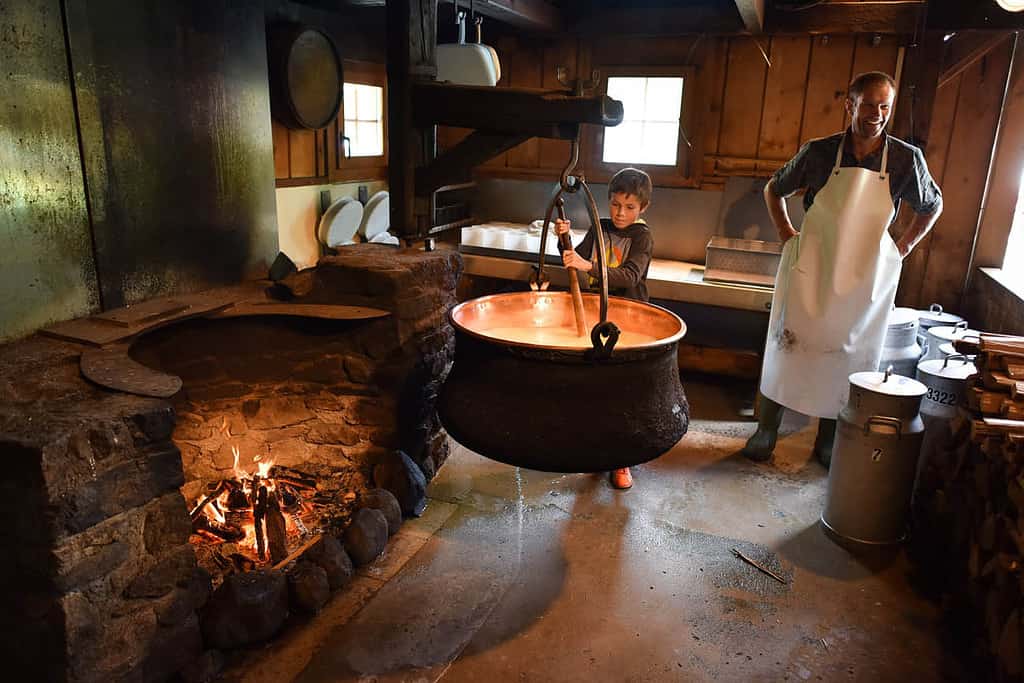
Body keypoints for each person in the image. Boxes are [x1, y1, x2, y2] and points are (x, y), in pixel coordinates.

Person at [741, 71, 943, 468]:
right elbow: (774, 188)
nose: (877, 114)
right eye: (868, 105)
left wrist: (902, 247)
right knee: (787, 345)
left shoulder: (905, 159)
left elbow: (931, 205)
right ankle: (766, 431)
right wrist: (786, 233)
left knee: (848, 357)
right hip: (810, 269)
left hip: (864, 277)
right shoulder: (819, 152)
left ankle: (828, 440)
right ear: (849, 105)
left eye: (885, 106)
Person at [554, 167, 654, 489]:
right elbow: (574, 258)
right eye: (615, 204)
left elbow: (630, 275)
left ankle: (622, 460)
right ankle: (596, 451)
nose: (620, 213)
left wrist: (589, 266)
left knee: (623, 391)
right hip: (599, 314)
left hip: (629, 318)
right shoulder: (601, 227)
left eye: (629, 207)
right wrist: (563, 238)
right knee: (596, 386)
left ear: (643, 208)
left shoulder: (642, 237)